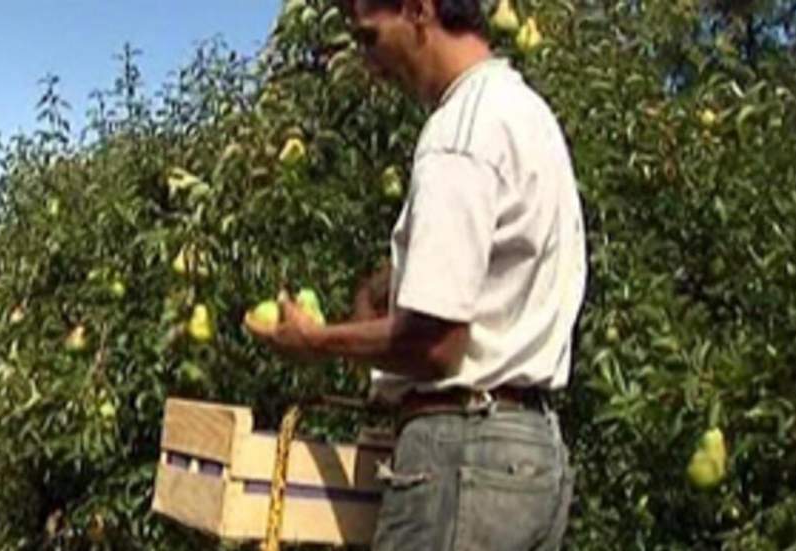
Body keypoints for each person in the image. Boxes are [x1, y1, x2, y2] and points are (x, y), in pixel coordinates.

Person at [245, 0, 588, 548]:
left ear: (417, 9)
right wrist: (397, 279)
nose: (370, 64)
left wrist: (316, 341)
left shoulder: (457, 134)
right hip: (532, 455)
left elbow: (436, 346)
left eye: (370, 38)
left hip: (463, 453)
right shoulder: (526, 114)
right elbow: (501, 264)